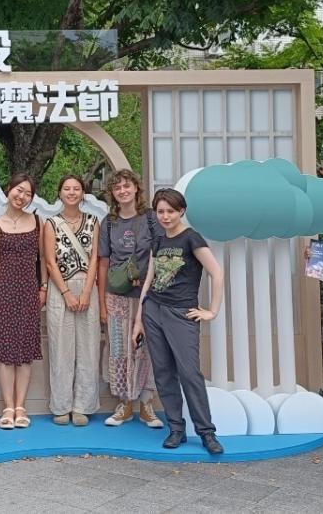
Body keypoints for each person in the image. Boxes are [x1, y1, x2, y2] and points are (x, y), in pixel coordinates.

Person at [131, 189, 225, 454]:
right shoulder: (158, 240)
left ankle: (206, 432)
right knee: (163, 372)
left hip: (181, 313)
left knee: (189, 373)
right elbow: (148, 281)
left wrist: (212, 311)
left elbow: (217, 272)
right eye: (160, 211)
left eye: (170, 211)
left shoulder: (191, 238)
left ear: (181, 211)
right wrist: (139, 320)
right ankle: (176, 429)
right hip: (153, 311)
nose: (165, 216)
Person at [97, 168, 162, 429]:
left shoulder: (151, 219)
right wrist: (102, 303)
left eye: (127, 186)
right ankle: (124, 402)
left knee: (146, 347)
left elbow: (162, 254)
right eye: (117, 188)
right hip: (117, 296)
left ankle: (147, 403)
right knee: (119, 349)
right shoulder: (109, 223)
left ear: (136, 188)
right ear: (112, 193)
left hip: (148, 295)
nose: (123, 191)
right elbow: (103, 263)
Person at [0, 173, 45, 430]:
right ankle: (7, 407)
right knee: (4, 353)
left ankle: (21, 406)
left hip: (29, 291)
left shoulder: (39, 222)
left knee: (25, 352)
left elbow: (43, 259)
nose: (22, 197)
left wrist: (42, 288)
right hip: (3, 293)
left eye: (28, 194)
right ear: (8, 190)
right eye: (18, 190)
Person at [42, 174, 100, 426]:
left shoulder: (93, 221)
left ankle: (83, 406)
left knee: (88, 349)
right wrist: (66, 293)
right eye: (67, 188)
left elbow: (96, 258)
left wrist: (86, 291)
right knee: (60, 349)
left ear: (83, 193)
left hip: (87, 285)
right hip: (59, 289)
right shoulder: (51, 223)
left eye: (76, 188)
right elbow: (49, 261)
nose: (72, 192)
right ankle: (61, 405)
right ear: (60, 193)